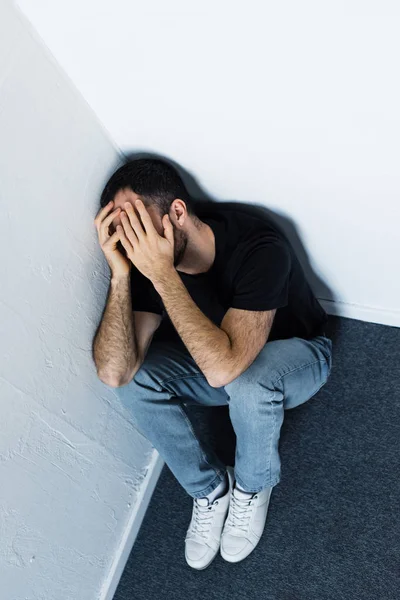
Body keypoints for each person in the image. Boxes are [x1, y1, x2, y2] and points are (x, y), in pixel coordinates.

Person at [92, 158, 333, 570]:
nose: (133, 243)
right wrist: (120, 276)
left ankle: (253, 486)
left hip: (298, 359)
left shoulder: (257, 245)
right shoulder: (143, 265)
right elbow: (115, 372)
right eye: (122, 230)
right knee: (134, 380)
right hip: (222, 368)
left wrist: (162, 274)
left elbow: (227, 369)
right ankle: (209, 490)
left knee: (248, 381)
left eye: (139, 225)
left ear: (177, 213)